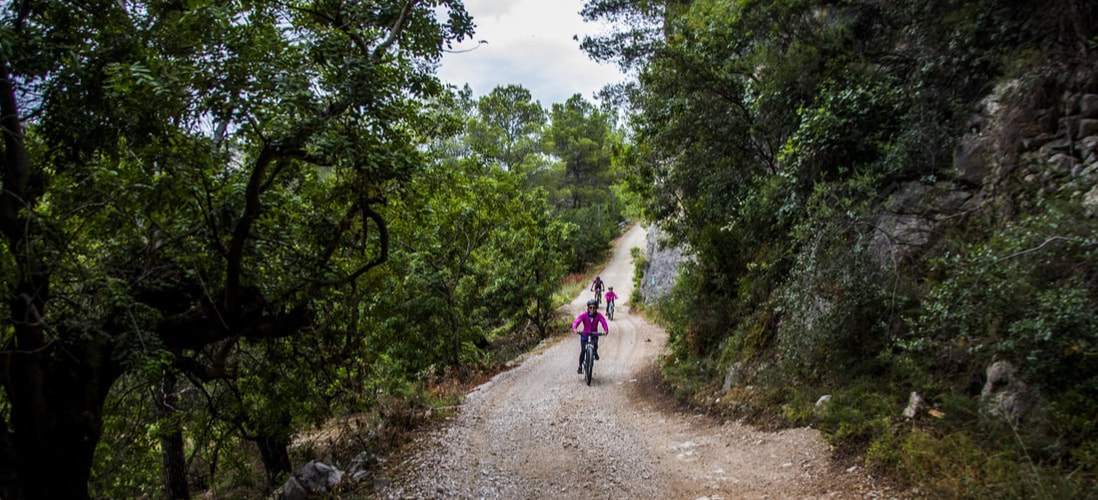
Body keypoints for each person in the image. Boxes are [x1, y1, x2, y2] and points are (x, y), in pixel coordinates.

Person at [572, 298, 609, 373]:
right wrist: (574, 328)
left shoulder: (599, 315)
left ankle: (594, 352)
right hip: (585, 335)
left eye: (594, 308)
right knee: (583, 351)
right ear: (588, 308)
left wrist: (606, 330)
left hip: (594, 335)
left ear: (596, 308)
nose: (592, 309)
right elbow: (577, 321)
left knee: (595, 345)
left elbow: (603, 322)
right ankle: (580, 366)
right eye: (590, 307)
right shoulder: (584, 315)